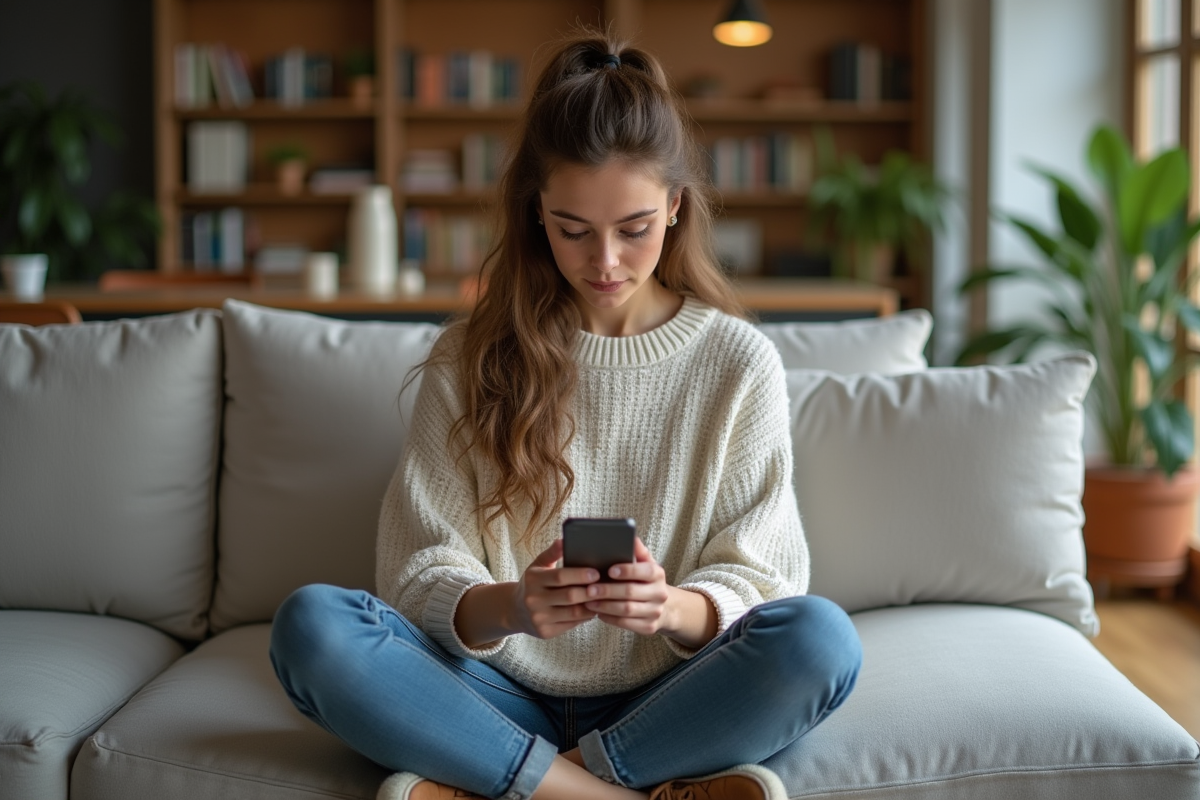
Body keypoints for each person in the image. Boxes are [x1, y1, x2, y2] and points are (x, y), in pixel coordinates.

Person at [269, 29, 862, 800]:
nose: (604, 262)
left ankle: (511, 782)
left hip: (663, 697)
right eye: (573, 230)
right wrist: (513, 607)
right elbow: (417, 568)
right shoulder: (469, 357)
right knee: (312, 627)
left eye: (633, 229)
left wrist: (671, 608)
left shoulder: (737, 362)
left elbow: (765, 577)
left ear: (675, 206)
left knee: (820, 640)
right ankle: (612, 793)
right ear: (536, 215)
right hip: (494, 692)